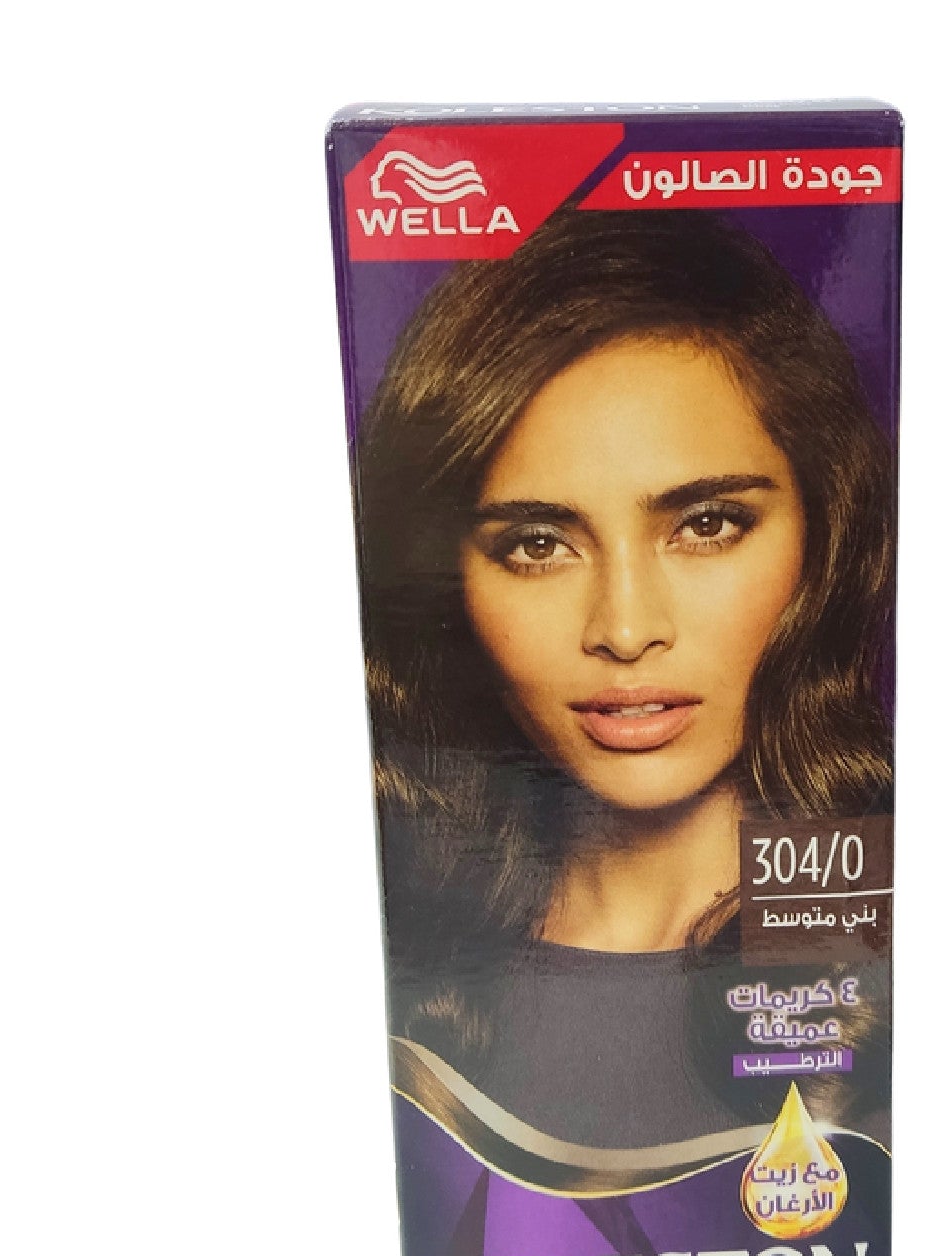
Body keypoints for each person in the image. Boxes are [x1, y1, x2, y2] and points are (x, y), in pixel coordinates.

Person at [356, 208, 894, 1156]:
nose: (626, 629)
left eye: (708, 524)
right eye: (537, 544)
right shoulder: (387, 945)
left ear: (824, 537)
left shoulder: (893, 952)